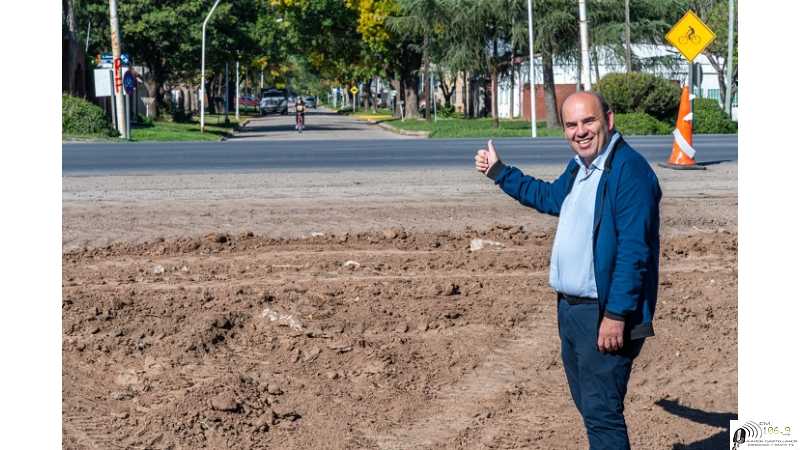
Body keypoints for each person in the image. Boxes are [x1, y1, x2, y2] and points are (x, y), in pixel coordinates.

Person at [474, 91, 661, 450]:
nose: (581, 131)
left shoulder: (629, 172)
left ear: (609, 120)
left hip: (603, 312)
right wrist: (499, 172)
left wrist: (617, 315)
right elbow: (549, 198)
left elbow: (634, 253)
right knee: (591, 407)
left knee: (602, 412)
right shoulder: (582, 166)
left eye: (588, 121)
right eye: (571, 125)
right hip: (572, 310)